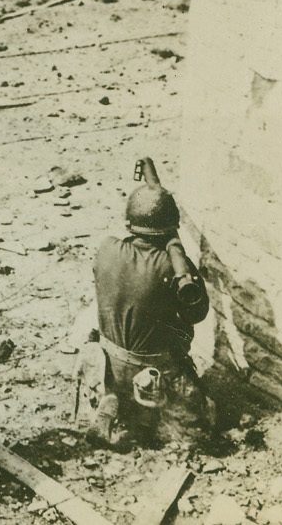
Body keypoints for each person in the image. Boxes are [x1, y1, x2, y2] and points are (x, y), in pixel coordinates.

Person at [92, 182, 211, 447]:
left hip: (109, 363)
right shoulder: (173, 267)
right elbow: (196, 314)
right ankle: (144, 420)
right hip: (153, 371)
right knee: (201, 421)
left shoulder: (106, 248)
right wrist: (179, 258)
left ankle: (113, 399)